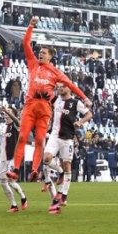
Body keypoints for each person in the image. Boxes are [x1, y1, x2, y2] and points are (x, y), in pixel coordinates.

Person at [6, 16, 92, 182]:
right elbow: (25, 44)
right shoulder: (33, 64)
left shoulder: (55, 72)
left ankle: (34, 170)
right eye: (40, 52)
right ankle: (15, 169)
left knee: (39, 139)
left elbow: (71, 85)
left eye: (44, 53)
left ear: (50, 56)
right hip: (30, 105)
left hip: (44, 107)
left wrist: (84, 97)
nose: (40, 54)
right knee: (23, 137)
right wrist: (30, 26)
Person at [42, 82, 93, 212]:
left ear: (69, 88)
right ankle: (59, 172)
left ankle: (63, 194)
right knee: (46, 158)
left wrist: (80, 122)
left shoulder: (75, 103)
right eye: (58, 86)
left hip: (68, 139)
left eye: (62, 86)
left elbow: (89, 114)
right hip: (54, 136)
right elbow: (45, 92)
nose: (59, 88)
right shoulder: (56, 100)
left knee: (68, 166)